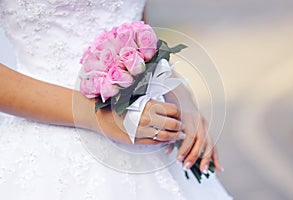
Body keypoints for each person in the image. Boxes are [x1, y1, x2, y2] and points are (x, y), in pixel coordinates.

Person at [0, 0, 232, 199]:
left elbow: (139, 29)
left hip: (147, 131)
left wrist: (180, 95)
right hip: (46, 147)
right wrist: (97, 115)